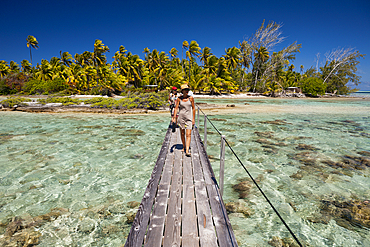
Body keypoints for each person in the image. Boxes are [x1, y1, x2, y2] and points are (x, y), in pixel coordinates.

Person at [172, 84, 195, 156]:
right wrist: (174, 117)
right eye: (186, 90)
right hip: (181, 118)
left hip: (189, 118)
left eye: (188, 90)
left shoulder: (191, 98)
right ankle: (184, 146)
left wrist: (193, 118)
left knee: (188, 134)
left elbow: (193, 108)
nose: (187, 91)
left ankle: (187, 150)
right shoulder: (179, 98)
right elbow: (176, 108)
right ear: (182, 91)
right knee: (182, 133)